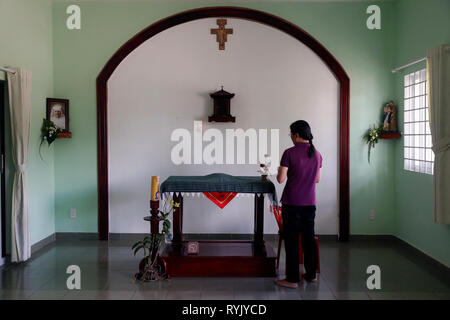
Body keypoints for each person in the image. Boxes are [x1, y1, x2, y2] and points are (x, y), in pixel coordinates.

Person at [275, 120, 322, 288]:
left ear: (296, 134)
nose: (291, 138)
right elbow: (317, 179)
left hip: (292, 203)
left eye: (291, 134)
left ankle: (292, 279)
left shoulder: (289, 153)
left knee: (292, 240)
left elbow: (280, 179)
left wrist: (278, 171)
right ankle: (311, 275)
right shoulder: (317, 154)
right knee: (309, 239)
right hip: (310, 203)